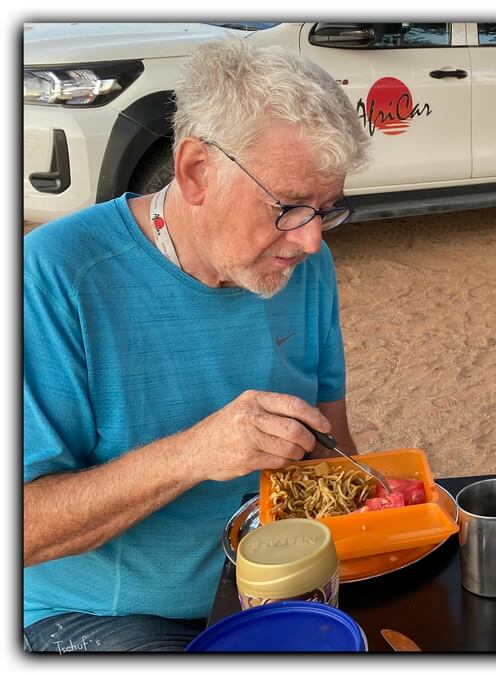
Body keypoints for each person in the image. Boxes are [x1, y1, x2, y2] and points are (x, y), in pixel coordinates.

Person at [23, 39, 371, 652]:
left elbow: (332, 451)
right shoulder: (54, 275)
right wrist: (194, 454)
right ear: (195, 172)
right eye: (290, 207)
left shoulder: (302, 265)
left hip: (280, 580)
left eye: (328, 208)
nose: (313, 240)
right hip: (102, 615)